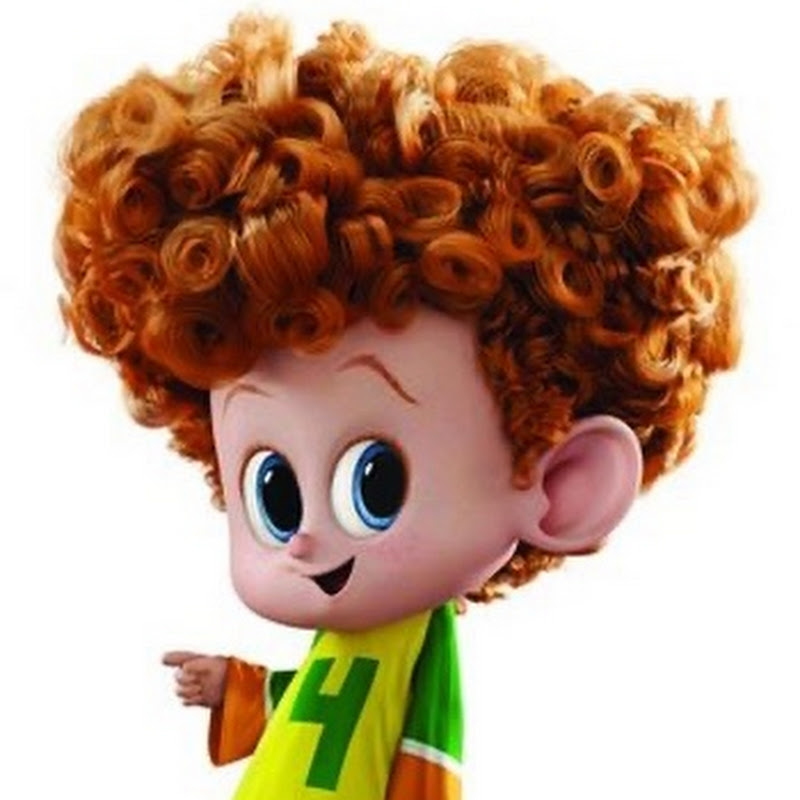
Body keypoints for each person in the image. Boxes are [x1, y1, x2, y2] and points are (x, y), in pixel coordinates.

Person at [54, 12, 757, 799]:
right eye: (272, 491)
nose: (306, 538)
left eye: (374, 483)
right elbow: (316, 702)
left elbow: (426, 758)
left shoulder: (419, 653)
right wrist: (236, 684)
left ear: (567, 485)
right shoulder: (356, 643)